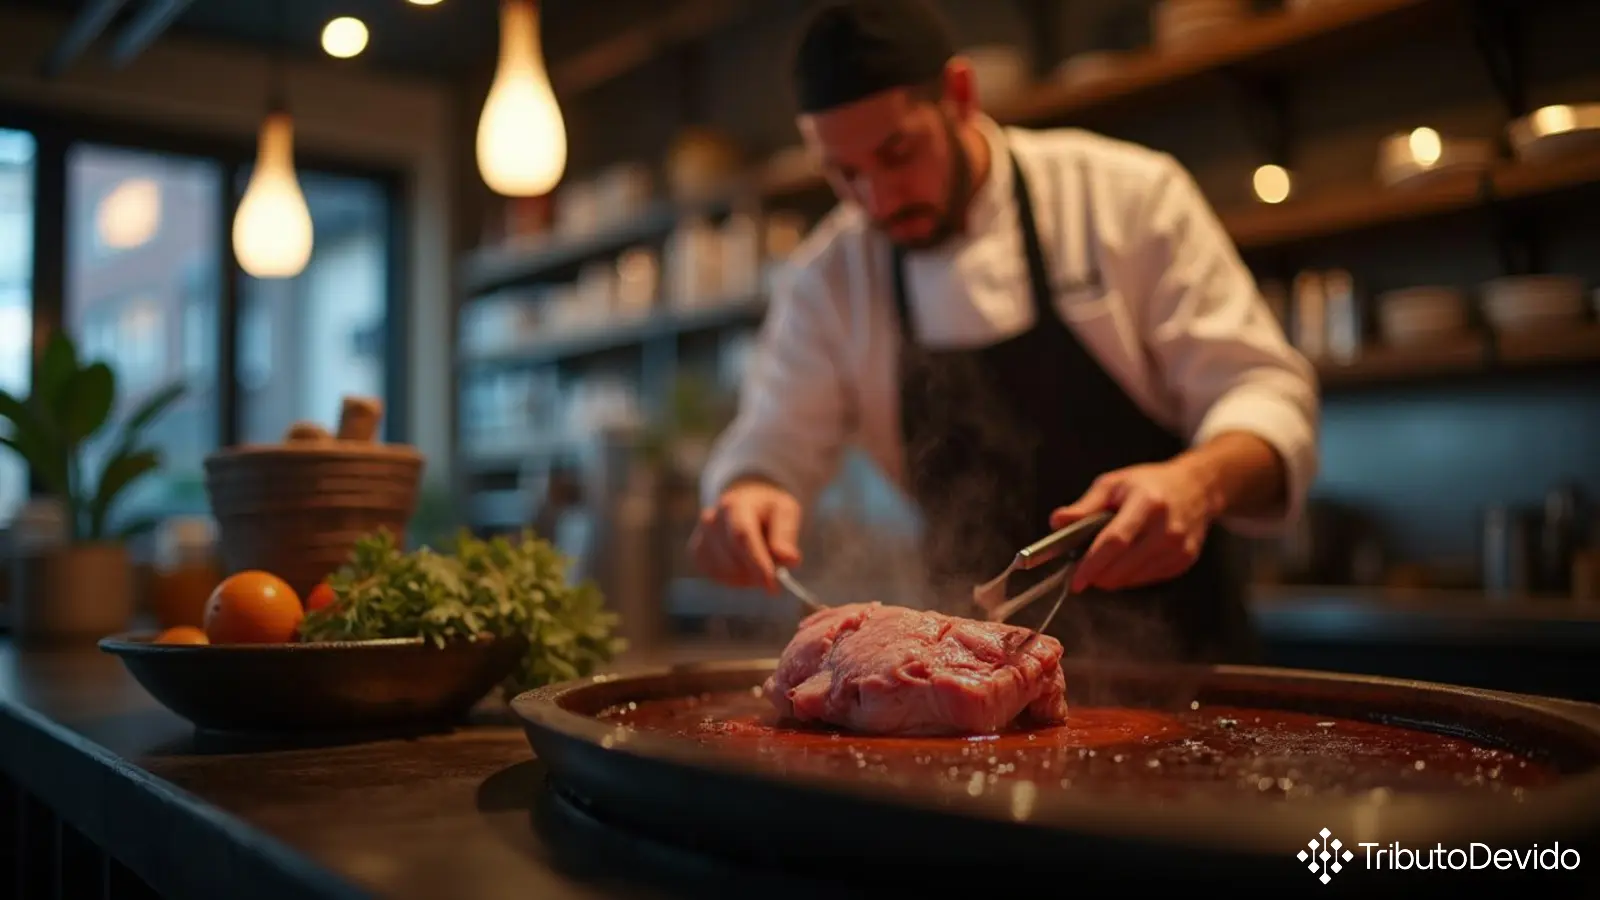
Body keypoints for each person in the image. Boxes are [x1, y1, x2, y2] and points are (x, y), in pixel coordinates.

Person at [687, 0, 1320, 663]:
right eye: (843, 174)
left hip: (1182, 660)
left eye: (897, 153)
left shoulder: (1123, 197)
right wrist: (749, 494)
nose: (875, 199)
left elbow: (1265, 392)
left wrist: (1198, 483)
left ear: (960, 95)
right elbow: (774, 440)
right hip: (971, 663)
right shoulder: (830, 277)